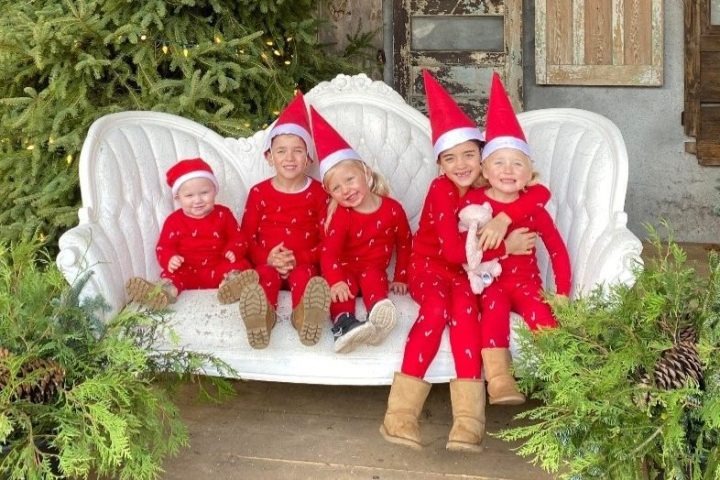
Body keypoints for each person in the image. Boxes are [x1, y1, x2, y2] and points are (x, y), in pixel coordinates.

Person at [380, 70, 550, 452]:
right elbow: (455, 252)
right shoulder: (441, 191)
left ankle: (469, 422)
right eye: (451, 158)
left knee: (466, 319)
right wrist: (506, 247)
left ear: (483, 158)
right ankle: (401, 415)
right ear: (440, 164)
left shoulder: (488, 185)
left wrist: (506, 217)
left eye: (470, 155)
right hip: (430, 268)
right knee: (437, 310)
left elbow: (539, 192)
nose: (461, 165)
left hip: (467, 277)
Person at [467, 73, 572, 406]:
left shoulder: (534, 209)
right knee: (494, 310)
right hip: (492, 284)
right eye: (499, 162)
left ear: (529, 172)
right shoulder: (475, 205)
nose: (508, 170)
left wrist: (563, 292)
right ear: (484, 170)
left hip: (527, 283)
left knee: (542, 315)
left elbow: (557, 250)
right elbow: (469, 250)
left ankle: (566, 381)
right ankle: (499, 381)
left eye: (517, 164)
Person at [311, 106, 412, 354]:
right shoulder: (342, 215)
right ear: (331, 194)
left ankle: (377, 318)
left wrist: (401, 276)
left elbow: (405, 243)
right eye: (336, 188)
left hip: (372, 268)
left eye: (350, 180)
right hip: (344, 269)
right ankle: (343, 325)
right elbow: (329, 253)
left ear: (365, 173)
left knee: (374, 279)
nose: (345, 190)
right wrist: (334, 282)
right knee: (343, 290)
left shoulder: (392, 209)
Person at [239, 92, 331, 349]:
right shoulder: (258, 192)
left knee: (306, 278)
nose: (289, 158)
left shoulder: (319, 193)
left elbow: (328, 239)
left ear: (309, 159)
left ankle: (303, 317)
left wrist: (298, 258)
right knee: (264, 277)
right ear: (269, 157)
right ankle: (262, 318)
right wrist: (268, 258)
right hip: (267, 261)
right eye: (281, 151)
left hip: (304, 262)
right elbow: (245, 237)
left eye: (297, 151)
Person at [126, 158, 257, 309]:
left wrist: (234, 249)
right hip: (188, 270)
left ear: (215, 191)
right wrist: (169, 258)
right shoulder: (174, 221)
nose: (198, 200)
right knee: (172, 276)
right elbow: (163, 247)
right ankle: (163, 293)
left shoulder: (223, 214)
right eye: (189, 196)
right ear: (178, 197)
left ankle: (232, 285)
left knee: (241, 264)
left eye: (204, 193)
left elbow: (238, 237)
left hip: (219, 266)